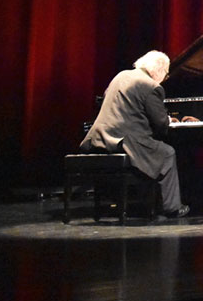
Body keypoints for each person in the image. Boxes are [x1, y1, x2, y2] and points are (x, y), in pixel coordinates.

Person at [79, 50, 191, 218]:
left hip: (100, 138)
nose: (165, 78)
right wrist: (170, 120)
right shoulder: (151, 86)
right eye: (166, 74)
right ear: (159, 69)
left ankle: (145, 201)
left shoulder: (121, 75)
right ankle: (172, 207)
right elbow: (161, 124)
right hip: (125, 142)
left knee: (156, 150)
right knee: (167, 153)